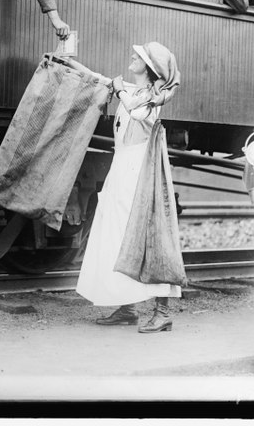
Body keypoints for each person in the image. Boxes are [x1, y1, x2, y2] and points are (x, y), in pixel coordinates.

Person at [75, 42, 184, 333]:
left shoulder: (153, 95)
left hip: (141, 171)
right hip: (123, 167)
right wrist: (68, 64)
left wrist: (120, 88)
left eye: (138, 57)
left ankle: (163, 311)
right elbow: (101, 80)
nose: (132, 57)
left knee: (148, 235)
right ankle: (128, 307)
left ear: (148, 68)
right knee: (119, 233)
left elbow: (137, 113)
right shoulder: (134, 91)